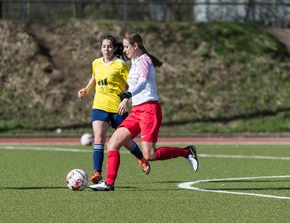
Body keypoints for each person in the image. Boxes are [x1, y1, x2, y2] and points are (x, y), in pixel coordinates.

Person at [90, 32, 199, 191]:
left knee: (150, 155)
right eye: (124, 47)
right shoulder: (135, 60)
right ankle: (109, 183)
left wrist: (129, 94)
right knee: (113, 144)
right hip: (136, 111)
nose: (125, 50)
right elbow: (129, 68)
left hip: (149, 110)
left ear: (136, 46)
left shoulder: (144, 61)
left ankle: (186, 152)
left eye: (127, 47)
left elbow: (142, 82)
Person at [78, 34, 149, 184]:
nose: (106, 49)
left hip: (118, 108)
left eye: (109, 46)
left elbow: (131, 84)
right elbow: (94, 78)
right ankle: (97, 173)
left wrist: (125, 99)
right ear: (101, 48)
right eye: (104, 46)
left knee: (126, 142)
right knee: (99, 138)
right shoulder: (96, 63)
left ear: (115, 48)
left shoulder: (120, 64)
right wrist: (86, 89)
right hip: (99, 106)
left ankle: (142, 159)